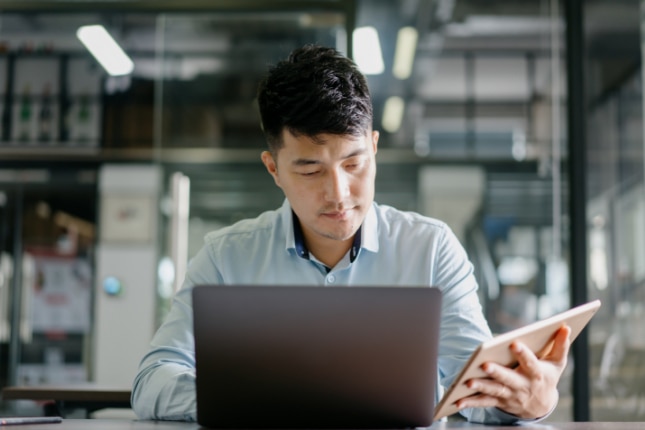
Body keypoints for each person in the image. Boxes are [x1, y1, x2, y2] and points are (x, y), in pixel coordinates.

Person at [131, 44, 570, 424]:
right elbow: (153, 380)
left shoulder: (431, 249)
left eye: (354, 164)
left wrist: (533, 401)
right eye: (309, 168)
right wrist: (260, 400)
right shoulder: (226, 258)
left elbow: (476, 391)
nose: (339, 194)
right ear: (273, 168)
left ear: (374, 147)